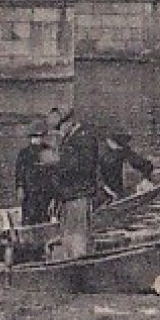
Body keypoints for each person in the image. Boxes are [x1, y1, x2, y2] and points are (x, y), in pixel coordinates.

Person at [47, 106, 100, 260]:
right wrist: (56, 197)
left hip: (79, 196)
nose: (58, 131)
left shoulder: (84, 138)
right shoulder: (68, 139)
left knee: (78, 242)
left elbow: (84, 168)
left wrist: (57, 161)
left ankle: (79, 269)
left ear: (69, 122)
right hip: (67, 197)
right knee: (67, 242)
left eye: (59, 127)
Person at [14, 116, 56, 227]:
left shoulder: (48, 151)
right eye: (35, 136)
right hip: (29, 194)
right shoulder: (24, 153)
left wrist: (54, 197)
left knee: (43, 219)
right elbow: (19, 173)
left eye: (40, 136)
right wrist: (20, 187)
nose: (37, 139)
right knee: (29, 219)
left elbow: (53, 174)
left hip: (45, 194)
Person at [95, 130, 155, 207]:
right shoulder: (104, 154)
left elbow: (146, 165)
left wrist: (145, 180)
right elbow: (97, 176)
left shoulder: (124, 152)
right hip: (105, 193)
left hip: (116, 193)